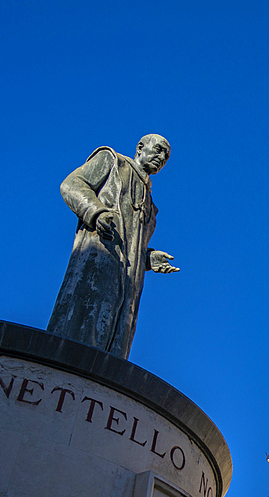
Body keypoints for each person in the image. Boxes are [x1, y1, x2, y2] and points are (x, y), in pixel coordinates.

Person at [47, 134, 179, 359]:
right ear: (140, 148)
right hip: (98, 263)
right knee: (78, 327)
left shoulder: (151, 208)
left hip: (128, 285)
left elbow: (131, 243)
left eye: (166, 156)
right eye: (158, 150)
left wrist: (147, 257)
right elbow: (71, 184)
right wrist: (95, 211)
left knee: (115, 343)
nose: (161, 157)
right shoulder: (112, 162)